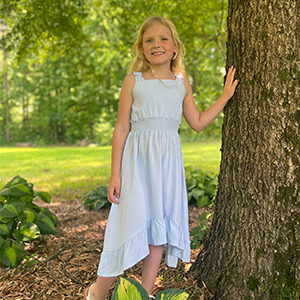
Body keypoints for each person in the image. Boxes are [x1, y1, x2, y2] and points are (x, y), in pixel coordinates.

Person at [84, 16, 238, 300]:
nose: (157, 45)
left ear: (175, 47)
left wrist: (225, 97)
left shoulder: (181, 82)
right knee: (125, 224)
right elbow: (121, 127)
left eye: (163, 39)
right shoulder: (134, 81)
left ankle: (143, 293)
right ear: (141, 49)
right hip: (137, 163)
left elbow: (198, 122)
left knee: (159, 229)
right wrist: (115, 174)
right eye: (149, 40)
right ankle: (98, 292)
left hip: (167, 164)